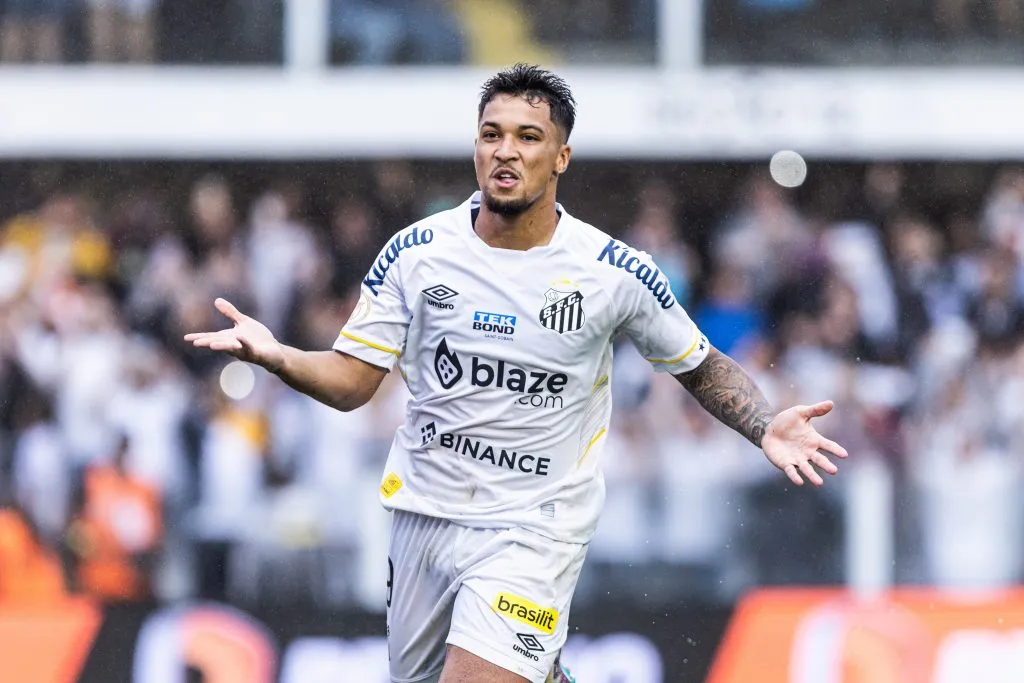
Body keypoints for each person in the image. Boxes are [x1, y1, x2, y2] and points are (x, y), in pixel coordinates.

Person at [186, 63, 849, 683]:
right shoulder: (418, 255)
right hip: (423, 516)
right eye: (491, 134)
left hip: (535, 527)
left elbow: (698, 364)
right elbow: (351, 383)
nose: (506, 151)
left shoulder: (612, 272)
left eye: (528, 137)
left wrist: (765, 424)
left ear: (560, 157)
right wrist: (275, 355)